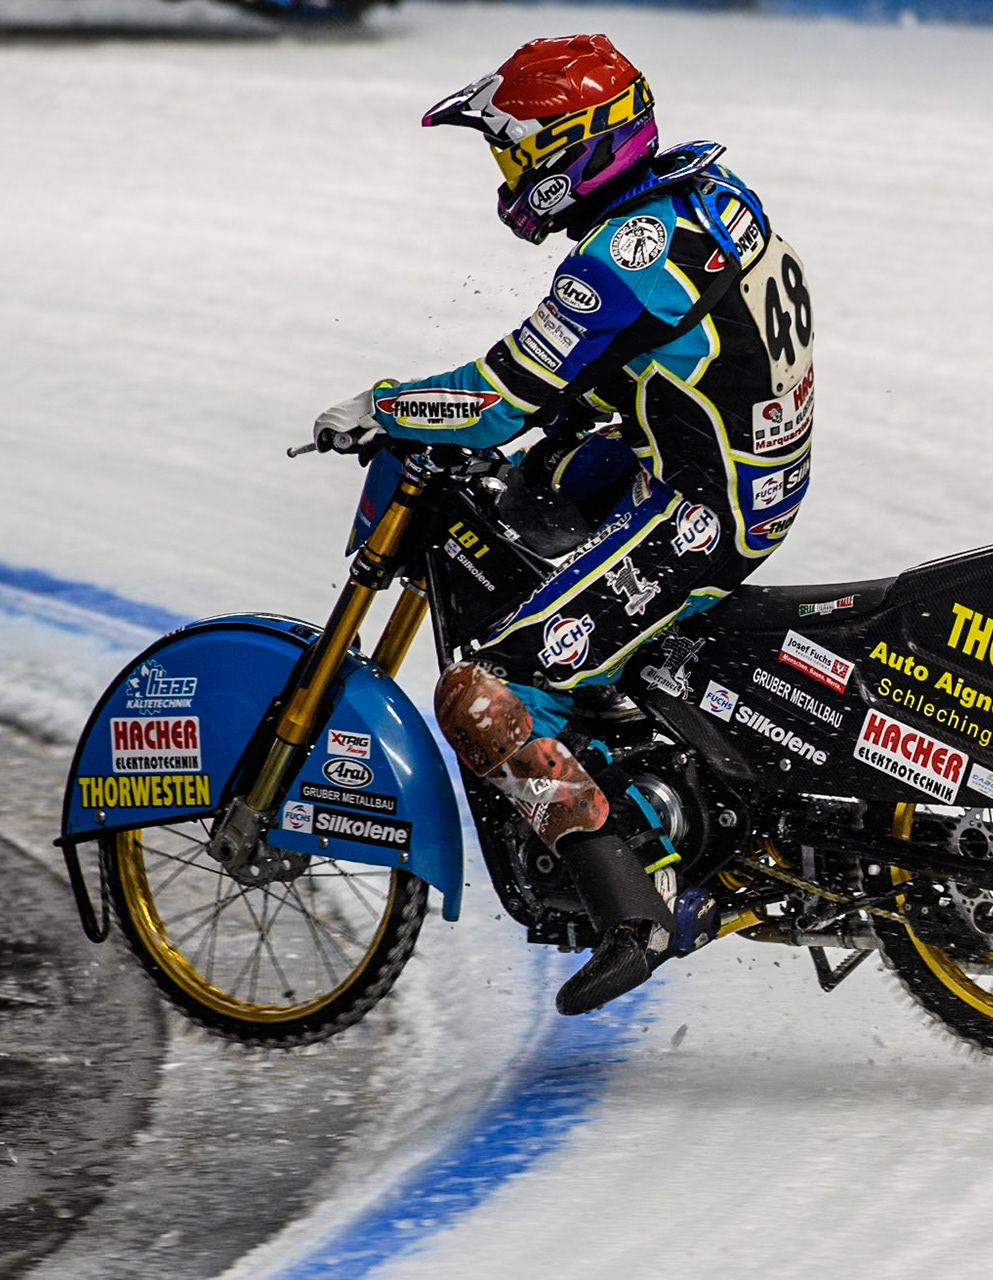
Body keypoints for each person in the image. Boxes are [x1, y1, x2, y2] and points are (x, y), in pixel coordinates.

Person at [313, 34, 815, 1015]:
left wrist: (387, 404)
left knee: (493, 685)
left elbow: (504, 391)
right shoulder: (702, 193)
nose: (507, 174)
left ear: (570, 149)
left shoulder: (621, 256)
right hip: (722, 449)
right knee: (534, 492)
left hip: (701, 505)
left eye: (514, 151)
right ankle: (633, 733)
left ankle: (636, 906)